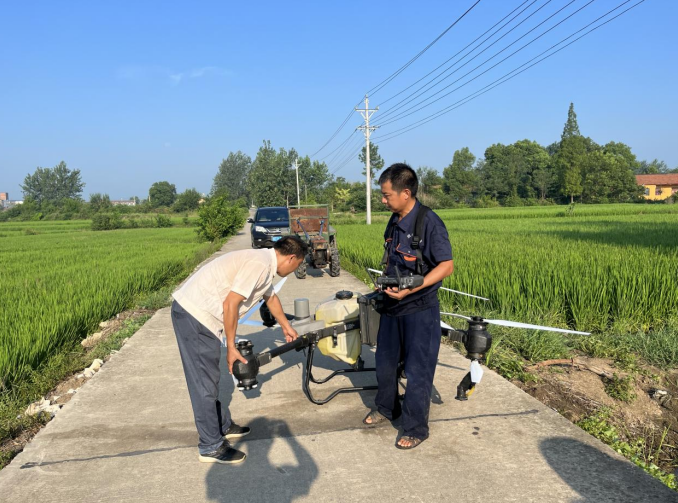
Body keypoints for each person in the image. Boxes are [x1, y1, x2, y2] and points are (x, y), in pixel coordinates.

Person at [171, 236, 308, 464]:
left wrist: (286, 326)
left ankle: (222, 426)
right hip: (195, 316)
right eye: (298, 265)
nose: (295, 270)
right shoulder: (259, 265)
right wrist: (231, 347)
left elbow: (270, 298)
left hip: (200, 315)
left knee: (210, 379)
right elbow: (230, 304)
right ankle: (210, 446)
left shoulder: (265, 264)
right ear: (292, 257)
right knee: (204, 383)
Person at [363, 163, 454, 450]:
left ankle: (416, 428)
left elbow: (447, 266)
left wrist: (415, 286)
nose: (383, 200)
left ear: (405, 193)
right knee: (385, 364)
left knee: (417, 370)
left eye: (386, 195)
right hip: (393, 306)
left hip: (420, 309)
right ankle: (388, 408)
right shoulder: (394, 220)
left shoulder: (429, 222)